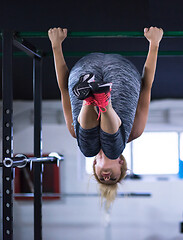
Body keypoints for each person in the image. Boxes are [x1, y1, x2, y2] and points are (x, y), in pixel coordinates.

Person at [48, 26, 163, 208]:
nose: (106, 177)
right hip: (122, 73)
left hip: (84, 71)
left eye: (101, 177)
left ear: (94, 165)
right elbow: (147, 86)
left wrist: (56, 46)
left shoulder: (77, 134)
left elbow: (64, 89)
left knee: (87, 147)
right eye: (113, 178)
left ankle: (89, 99)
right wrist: (154, 44)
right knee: (112, 147)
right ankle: (103, 101)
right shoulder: (135, 131)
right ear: (121, 162)